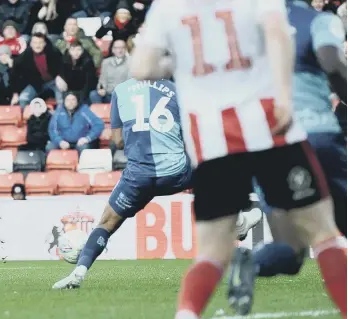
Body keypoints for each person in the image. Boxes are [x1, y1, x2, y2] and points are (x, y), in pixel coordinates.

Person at [131, 0, 346, 319]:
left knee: (212, 250)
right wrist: (284, 97)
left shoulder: (167, 7)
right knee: (323, 233)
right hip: (267, 127)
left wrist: (180, 62)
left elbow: (141, 68)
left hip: (212, 141)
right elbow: (279, 35)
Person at [52, 78, 262, 290]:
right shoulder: (177, 89)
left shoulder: (121, 91)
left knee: (106, 224)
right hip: (175, 171)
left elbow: (117, 140)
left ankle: (78, 273)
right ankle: (237, 220)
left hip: (138, 178)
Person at [228, 0, 348, 314]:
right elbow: (332, 63)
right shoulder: (316, 20)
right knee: (338, 227)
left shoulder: (243, 30)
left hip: (267, 144)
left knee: (291, 253)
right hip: (315, 135)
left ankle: (251, 263)